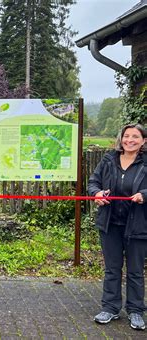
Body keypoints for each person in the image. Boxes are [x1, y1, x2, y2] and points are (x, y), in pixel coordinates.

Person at [88, 123, 147, 331]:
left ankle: (136, 311)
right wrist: (97, 194)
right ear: (121, 138)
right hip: (110, 224)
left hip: (138, 226)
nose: (130, 140)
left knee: (135, 271)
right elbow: (93, 182)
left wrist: (144, 195)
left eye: (135, 137)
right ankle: (110, 308)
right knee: (112, 269)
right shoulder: (108, 159)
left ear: (143, 141)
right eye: (126, 136)